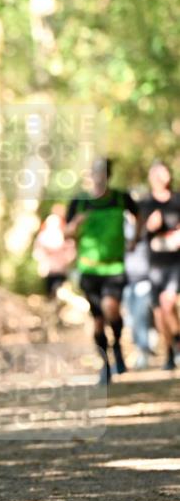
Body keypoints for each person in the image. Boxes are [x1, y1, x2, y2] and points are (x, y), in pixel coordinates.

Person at [65, 158, 140, 384]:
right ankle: (105, 364)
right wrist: (76, 223)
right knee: (97, 321)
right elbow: (66, 234)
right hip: (89, 269)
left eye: (102, 172)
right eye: (94, 172)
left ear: (108, 175)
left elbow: (138, 216)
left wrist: (134, 239)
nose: (98, 176)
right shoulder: (79, 202)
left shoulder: (120, 198)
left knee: (111, 309)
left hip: (115, 266)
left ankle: (116, 342)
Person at [138, 160, 180, 370]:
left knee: (168, 302)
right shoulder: (145, 203)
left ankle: (177, 343)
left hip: (175, 262)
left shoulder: (177, 200)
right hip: (154, 264)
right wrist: (149, 227)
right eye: (156, 174)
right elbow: (138, 235)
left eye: (164, 173)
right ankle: (170, 351)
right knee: (159, 312)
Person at [122, 213, 154, 369]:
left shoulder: (145, 229)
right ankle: (140, 348)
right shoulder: (121, 227)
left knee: (141, 316)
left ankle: (144, 350)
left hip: (144, 279)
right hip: (126, 280)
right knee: (130, 319)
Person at [32, 203, 76, 300]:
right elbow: (38, 250)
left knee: (57, 290)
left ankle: (54, 306)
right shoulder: (45, 232)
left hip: (60, 269)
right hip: (49, 268)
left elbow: (71, 251)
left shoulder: (65, 233)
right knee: (50, 291)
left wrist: (66, 259)